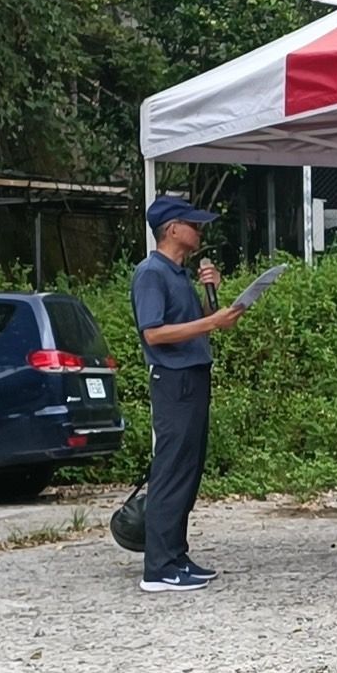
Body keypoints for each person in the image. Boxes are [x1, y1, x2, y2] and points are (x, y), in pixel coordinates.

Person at [130, 196, 245, 593]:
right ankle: (158, 567)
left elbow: (202, 326)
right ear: (173, 228)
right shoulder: (151, 273)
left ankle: (176, 556)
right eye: (193, 224)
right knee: (171, 469)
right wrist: (210, 322)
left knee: (189, 468)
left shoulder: (179, 274)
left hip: (194, 376)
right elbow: (154, 333)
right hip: (173, 380)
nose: (200, 231)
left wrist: (212, 297)